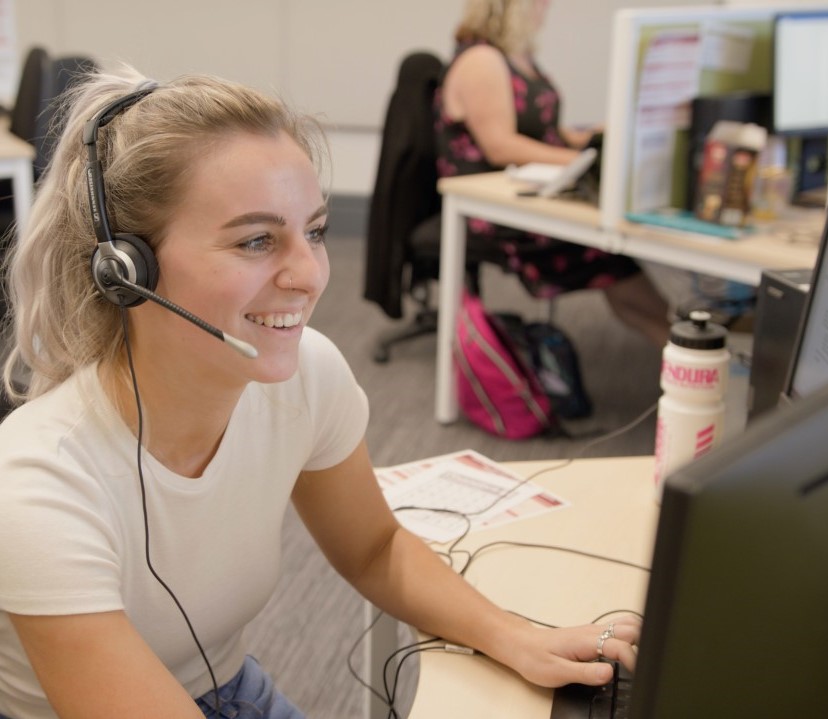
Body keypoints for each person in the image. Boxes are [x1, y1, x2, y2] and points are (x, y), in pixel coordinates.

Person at [0, 65, 639, 719]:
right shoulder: (41, 485)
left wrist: (518, 637)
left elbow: (374, 547)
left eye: (315, 230)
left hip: (227, 687)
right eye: (256, 240)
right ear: (126, 270)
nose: (310, 275)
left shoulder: (307, 374)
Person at [436, 0, 671, 347]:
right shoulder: (481, 60)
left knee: (612, 240)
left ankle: (676, 340)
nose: (546, 6)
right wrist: (578, 161)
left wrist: (599, 134)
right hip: (494, 207)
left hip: (532, 192)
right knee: (608, 250)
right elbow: (500, 146)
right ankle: (677, 344)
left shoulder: (518, 56)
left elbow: (545, 127)